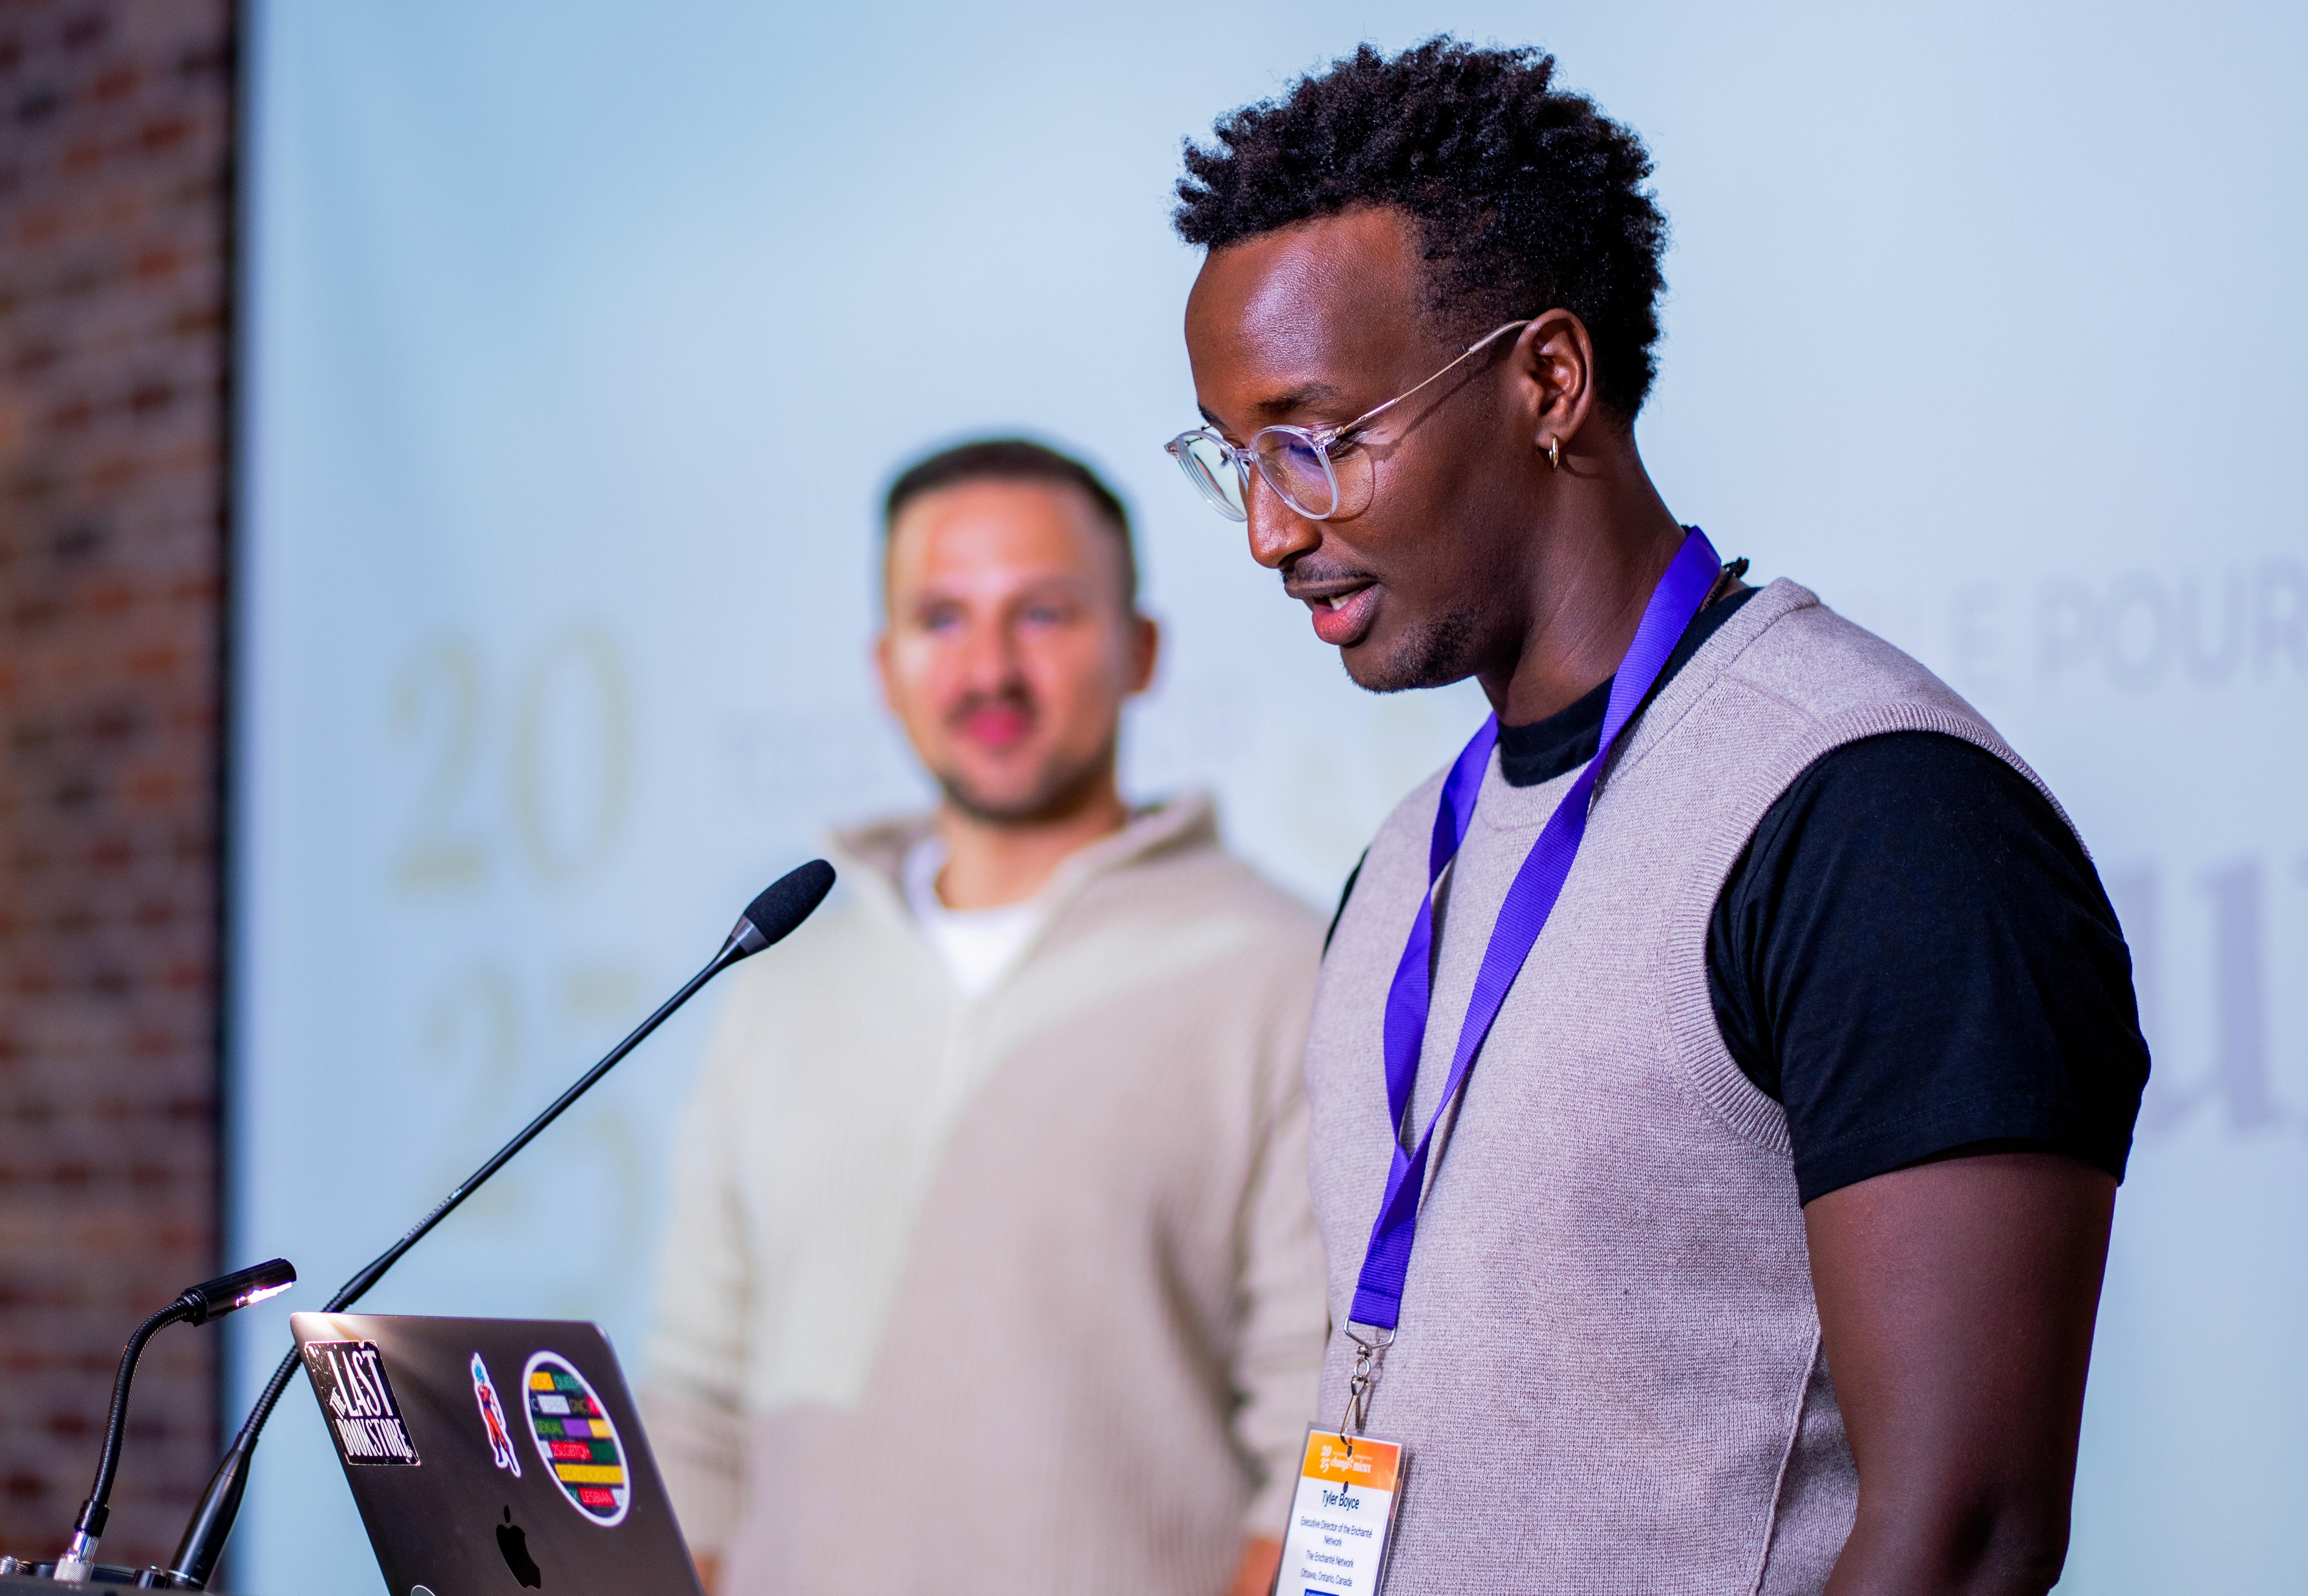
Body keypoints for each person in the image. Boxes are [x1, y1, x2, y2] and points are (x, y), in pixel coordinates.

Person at [1164, 40, 2149, 1596]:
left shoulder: (1880, 821)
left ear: (1549, 382)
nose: (1271, 529)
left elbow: (1965, 1540)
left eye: (1318, 439)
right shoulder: (1408, 856)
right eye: (1237, 460)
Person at [640, 439, 1327, 1596]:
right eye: (942, 619)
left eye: (1044, 614)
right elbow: (696, 1409)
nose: (991, 670)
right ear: (884, 666)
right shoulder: (779, 974)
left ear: (1142, 650)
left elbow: (1316, 1436)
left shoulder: (1284, 969)